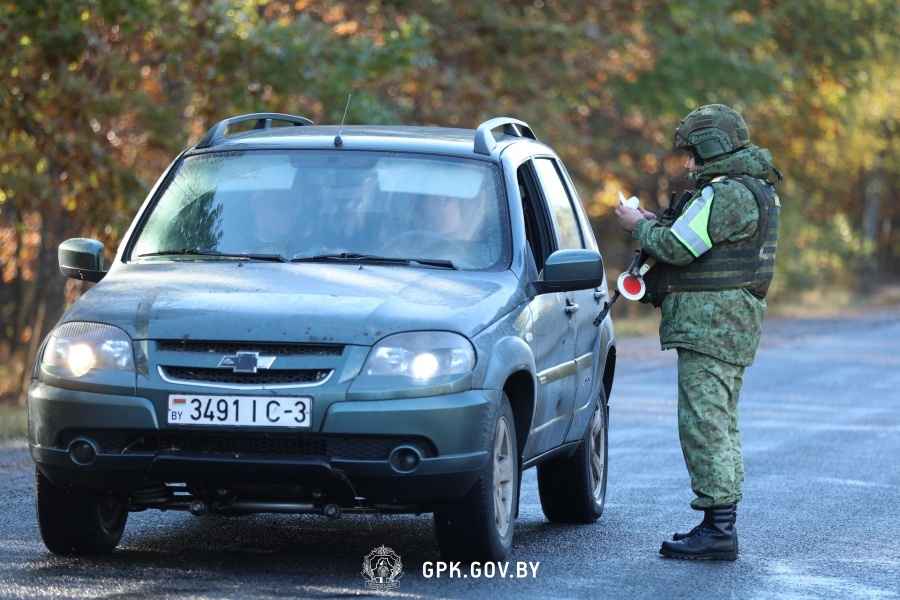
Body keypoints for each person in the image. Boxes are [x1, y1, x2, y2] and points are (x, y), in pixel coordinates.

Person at [614, 104, 782, 561]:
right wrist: (653, 223)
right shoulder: (754, 188)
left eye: (692, 154)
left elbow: (678, 246)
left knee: (703, 425)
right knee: (718, 423)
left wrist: (639, 226)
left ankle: (718, 530)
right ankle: (718, 523)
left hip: (712, 327)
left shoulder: (726, 193)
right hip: (728, 325)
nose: (688, 164)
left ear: (712, 147)